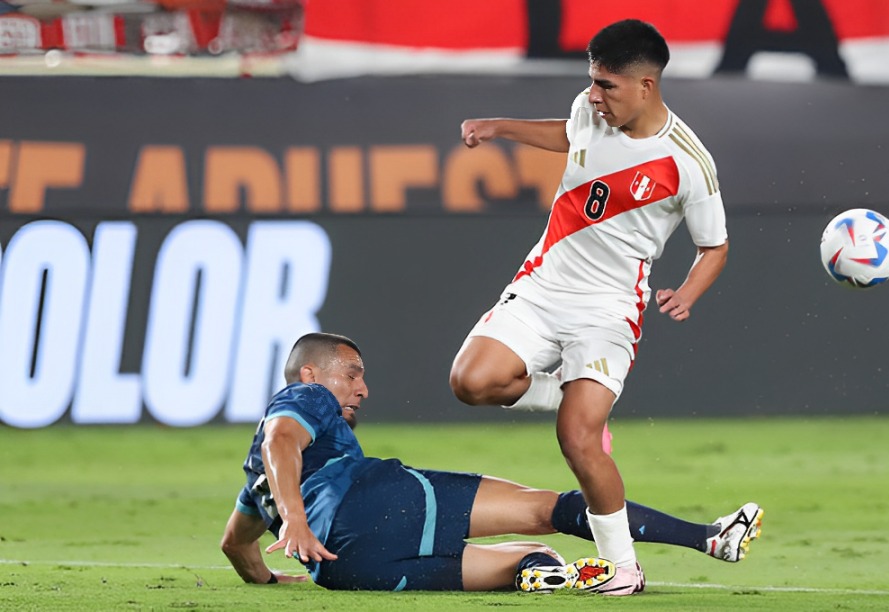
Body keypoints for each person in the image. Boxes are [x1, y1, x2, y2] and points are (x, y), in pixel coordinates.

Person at [449, 19, 756, 595]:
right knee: (470, 381)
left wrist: (688, 292)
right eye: (592, 81)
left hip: (608, 311)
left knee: (578, 438)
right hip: (542, 287)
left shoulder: (689, 162)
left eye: (607, 86)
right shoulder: (589, 110)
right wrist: (500, 128)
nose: (594, 95)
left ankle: (624, 569)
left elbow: (714, 246)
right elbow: (572, 135)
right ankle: (562, 393)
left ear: (646, 85)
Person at [220, 332, 763, 593]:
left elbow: (236, 544)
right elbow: (281, 440)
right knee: (550, 509)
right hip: (376, 503)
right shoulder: (304, 398)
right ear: (312, 375)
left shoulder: (254, 483)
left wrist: (268, 580)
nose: (362, 388)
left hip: (347, 570)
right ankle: (709, 538)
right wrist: (294, 516)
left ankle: (545, 574)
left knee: (527, 555)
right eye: (352, 374)